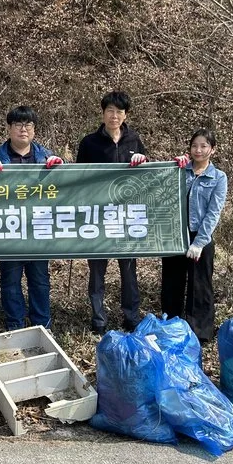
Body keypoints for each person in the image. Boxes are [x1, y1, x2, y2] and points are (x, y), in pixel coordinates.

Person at [0, 106, 63, 331]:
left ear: (34, 130)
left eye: (28, 125)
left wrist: (61, 169)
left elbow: (63, 190)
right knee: (10, 280)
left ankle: (42, 325)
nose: (23, 129)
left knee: (40, 281)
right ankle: (14, 324)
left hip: (38, 230)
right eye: (18, 125)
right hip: (8, 230)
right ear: (9, 128)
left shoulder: (47, 156)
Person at [76, 90, 148, 334]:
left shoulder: (134, 140)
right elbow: (77, 179)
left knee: (129, 272)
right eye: (110, 111)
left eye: (119, 111)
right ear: (103, 113)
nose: (114, 116)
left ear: (125, 114)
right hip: (97, 218)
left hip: (126, 219)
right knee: (97, 273)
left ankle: (131, 318)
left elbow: (146, 177)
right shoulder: (89, 142)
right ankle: (98, 321)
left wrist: (142, 160)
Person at [161, 129, 228, 342]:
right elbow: (162, 193)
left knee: (200, 285)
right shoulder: (180, 171)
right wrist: (173, 166)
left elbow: (213, 212)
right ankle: (171, 327)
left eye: (204, 146)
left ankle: (200, 333)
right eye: (195, 146)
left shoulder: (218, 178)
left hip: (201, 238)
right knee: (172, 283)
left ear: (212, 150)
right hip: (175, 235)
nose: (198, 150)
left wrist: (199, 242)